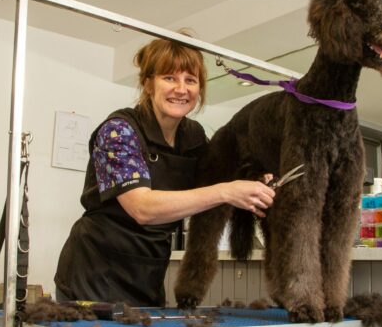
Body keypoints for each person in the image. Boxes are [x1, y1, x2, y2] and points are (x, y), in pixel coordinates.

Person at [54, 34, 275, 306]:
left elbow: (219, 178)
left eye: (190, 80)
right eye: (169, 78)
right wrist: (227, 191)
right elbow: (142, 208)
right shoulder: (119, 131)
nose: (181, 89)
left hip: (148, 272)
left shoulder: (193, 137)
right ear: (148, 84)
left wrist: (253, 177)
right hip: (94, 274)